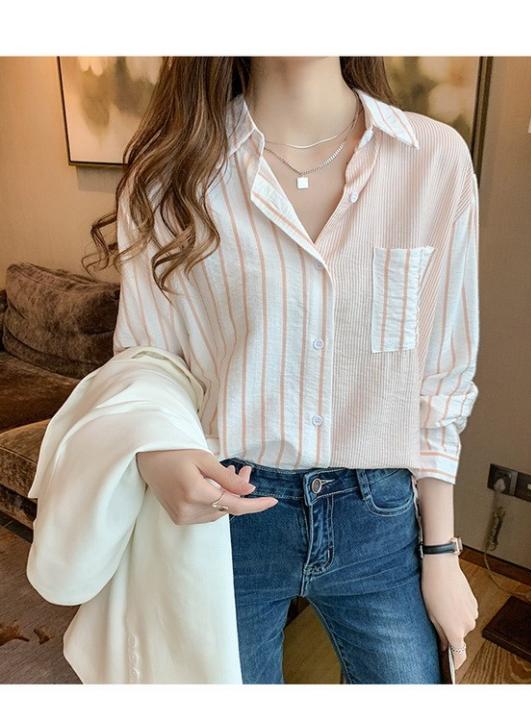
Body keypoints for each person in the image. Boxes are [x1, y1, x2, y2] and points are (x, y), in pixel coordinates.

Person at [88, 56, 480, 684]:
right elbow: (146, 361)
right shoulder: (168, 175)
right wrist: (156, 454)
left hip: (379, 518)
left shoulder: (433, 161)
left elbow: (441, 377)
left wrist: (441, 552)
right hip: (227, 515)